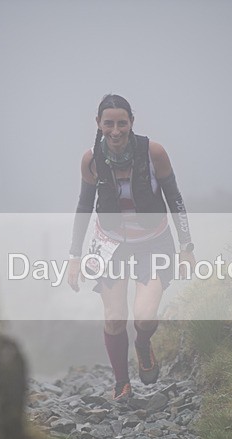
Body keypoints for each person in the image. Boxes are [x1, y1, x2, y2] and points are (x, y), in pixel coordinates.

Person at [67, 94, 195, 401]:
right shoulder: (91, 160)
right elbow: (84, 206)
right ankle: (122, 384)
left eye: (121, 123)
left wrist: (186, 247)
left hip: (153, 241)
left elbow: (175, 199)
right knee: (114, 317)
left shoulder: (153, 152)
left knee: (143, 318)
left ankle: (142, 344)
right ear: (98, 124)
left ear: (131, 123)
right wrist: (75, 255)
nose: (115, 130)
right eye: (108, 123)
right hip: (110, 243)